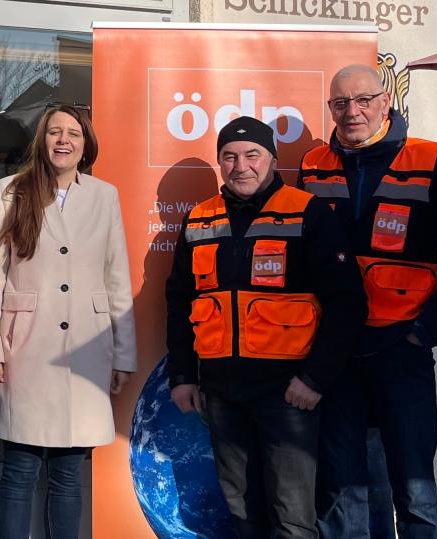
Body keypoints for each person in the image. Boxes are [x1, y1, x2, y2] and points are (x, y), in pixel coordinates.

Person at [302, 64, 437, 539]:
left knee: (414, 489)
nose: (352, 111)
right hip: (335, 354)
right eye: (341, 103)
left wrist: (425, 332)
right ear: (330, 109)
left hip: (400, 350)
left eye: (363, 100)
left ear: (385, 101)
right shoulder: (312, 166)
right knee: (339, 491)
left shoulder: (428, 161)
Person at [165, 116, 366, 538]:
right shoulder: (199, 219)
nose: (241, 166)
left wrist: (314, 379)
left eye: (252, 155)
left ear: (272, 159)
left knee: (291, 516)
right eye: (229, 156)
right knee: (242, 512)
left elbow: (347, 302)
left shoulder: (307, 212)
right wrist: (183, 376)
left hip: (288, 393)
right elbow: (179, 302)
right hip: (221, 392)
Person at [0, 104, 137, 539]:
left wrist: (123, 354)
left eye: (73, 133)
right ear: (42, 140)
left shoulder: (104, 195)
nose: (63, 140)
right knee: (19, 471)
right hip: (25, 347)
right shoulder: (8, 191)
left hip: (86, 350)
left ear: (86, 144)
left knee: (68, 475)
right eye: (54, 132)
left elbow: (116, 276)